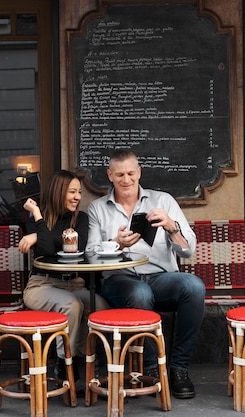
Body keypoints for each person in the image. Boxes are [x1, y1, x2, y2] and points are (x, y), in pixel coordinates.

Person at [86, 149, 205, 399]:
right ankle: (151, 369)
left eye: (131, 173)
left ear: (139, 172)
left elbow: (188, 251)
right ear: (110, 175)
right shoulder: (97, 208)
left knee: (194, 286)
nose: (126, 179)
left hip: (161, 278)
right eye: (119, 174)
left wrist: (173, 228)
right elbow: (91, 256)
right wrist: (117, 243)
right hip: (120, 279)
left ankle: (179, 369)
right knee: (140, 292)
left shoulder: (163, 200)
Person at [19, 170, 109, 380]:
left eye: (79, 192)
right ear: (59, 192)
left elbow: (79, 246)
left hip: (75, 284)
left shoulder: (81, 219)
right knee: (72, 305)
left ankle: (83, 358)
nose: (78, 197)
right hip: (41, 286)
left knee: (100, 305)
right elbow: (48, 250)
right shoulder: (37, 217)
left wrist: (39, 235)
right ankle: (64, 361)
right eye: (72, 192)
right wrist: (38, 217)